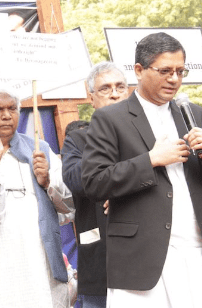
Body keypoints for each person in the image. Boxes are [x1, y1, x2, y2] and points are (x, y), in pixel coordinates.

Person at [81, 32, 202, 307]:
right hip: (143, 258)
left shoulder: (193, 113)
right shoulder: (109, 119)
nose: (174, 79)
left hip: (200, 252)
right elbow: (94, 182)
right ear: (139, 71)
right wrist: (150, 160)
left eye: (180, 71)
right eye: (165, 71)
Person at [0, 85, 74, 308]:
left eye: (12, 108)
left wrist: (48, 182)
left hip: (40, 260)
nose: (7, 115)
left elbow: (70, 208)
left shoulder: (40, 149)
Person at [61, 62, 129, 308]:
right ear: (92, 98)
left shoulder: (148, 135)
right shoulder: (78, 139)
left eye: (120, 86)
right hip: (100, 259)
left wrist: (124, 192)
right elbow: (76, 180)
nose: (114, 93)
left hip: (144, 258)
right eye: (105, 88)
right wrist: (106, 137)